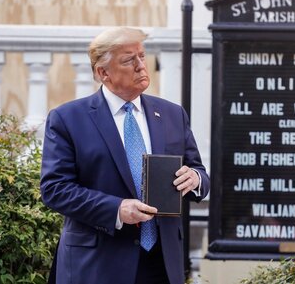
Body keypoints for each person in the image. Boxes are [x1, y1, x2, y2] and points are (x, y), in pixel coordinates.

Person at [40, 27, 210, 284]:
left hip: (162, 263)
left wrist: (195, 179)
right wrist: (117, 209)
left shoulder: (173, 114)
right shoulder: (67, 119)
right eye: (130, 60)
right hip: (97, 264)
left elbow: (199, 172)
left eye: (142, 56)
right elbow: (55, 189)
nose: (142, 66)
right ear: (103, 73)